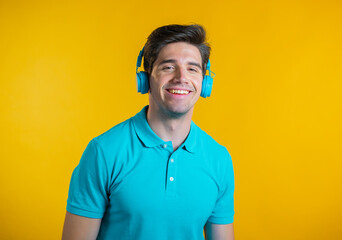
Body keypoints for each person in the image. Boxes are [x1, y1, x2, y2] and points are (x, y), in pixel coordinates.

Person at [62, 24, 235, 240]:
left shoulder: (219, 159)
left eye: (192, 68)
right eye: (168, 67)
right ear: (145, 79)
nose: (181, 77)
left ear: (205, 82)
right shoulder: (103, 152)